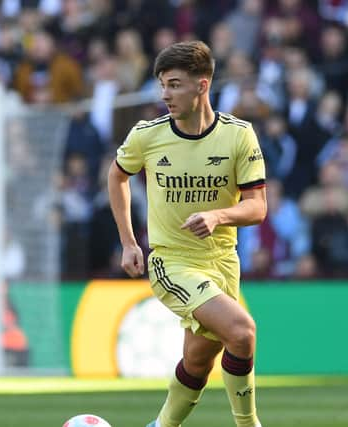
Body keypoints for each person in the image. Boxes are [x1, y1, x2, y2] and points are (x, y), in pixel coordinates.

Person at [108, 40, 266, 427]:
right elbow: (117, 177)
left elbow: (257, 207)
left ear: (202, 85)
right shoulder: (147, 135)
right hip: (172, 261)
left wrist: (218, 216)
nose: (165, 94)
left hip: (223, 262)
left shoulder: (238, 136)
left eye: (175, 84)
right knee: (242, 331)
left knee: (198, 359)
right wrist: (129, 242)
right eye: (162, 84)